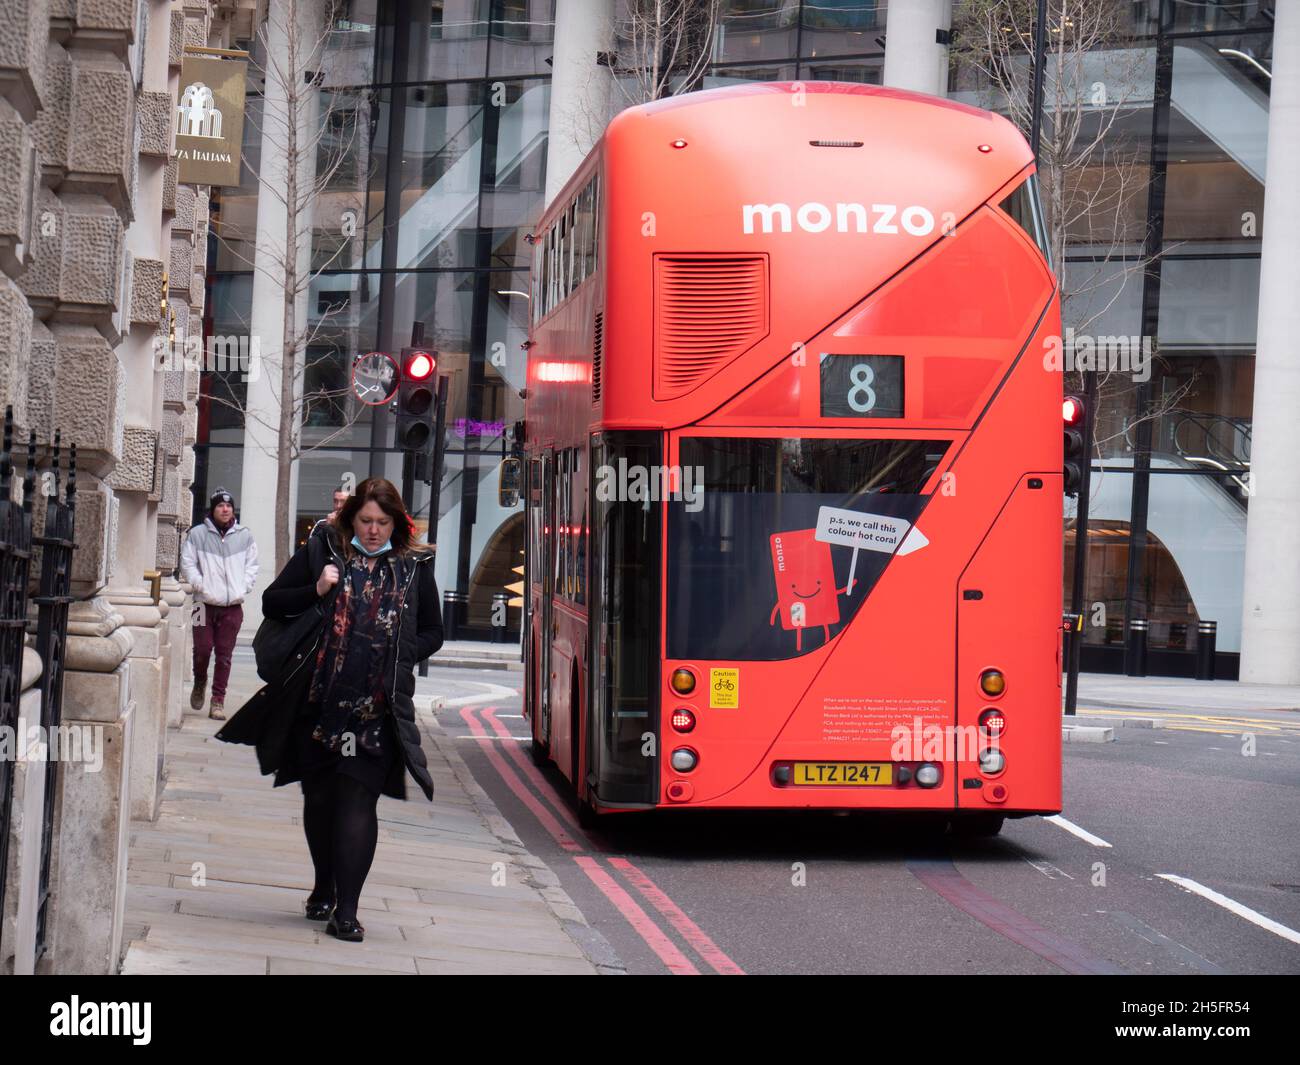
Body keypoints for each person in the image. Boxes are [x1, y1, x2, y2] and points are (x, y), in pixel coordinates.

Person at [218, 477, 442, 943]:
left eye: (383, 522)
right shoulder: (324, 547)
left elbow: (433, 631)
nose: (374, 530)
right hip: (317, 701)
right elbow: (273, 602)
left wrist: (399, 655)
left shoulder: (415, 565)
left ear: (397, 523)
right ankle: (323, 886)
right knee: (320, 799)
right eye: (366, 521)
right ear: (350, 518)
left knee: (359, 799)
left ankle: (348, 909)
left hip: (375, 709)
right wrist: (317, 589)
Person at [180, 488, 258, 720]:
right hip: (201, 604)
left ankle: (217, 701)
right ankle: (200, 681)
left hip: (232, 607)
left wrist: (242, 587)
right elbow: (187, 563)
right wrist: (199, 584)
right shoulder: (197, 534)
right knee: (202, 650)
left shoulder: (244, 535)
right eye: (220, 506)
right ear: (212, 510)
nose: (225, 509)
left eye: (229, 505)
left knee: (225, 655)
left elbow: (252, 566)